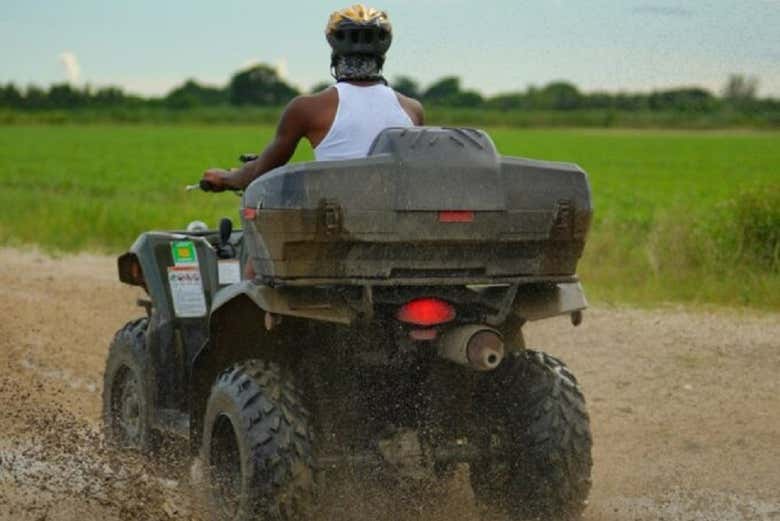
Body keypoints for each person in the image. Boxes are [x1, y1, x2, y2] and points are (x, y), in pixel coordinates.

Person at [201, 4, 424, 192]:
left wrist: (226, 178)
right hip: (398, 229)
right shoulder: (413, 110)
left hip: (334, 228)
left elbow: (260, 174)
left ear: (334, 48)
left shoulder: (307, 108)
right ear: (383, 51)